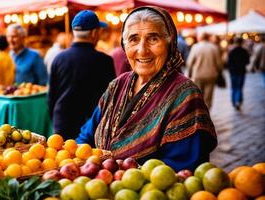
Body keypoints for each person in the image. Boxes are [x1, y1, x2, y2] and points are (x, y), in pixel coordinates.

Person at [76, 6, 217, 171]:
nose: (142, 51)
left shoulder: (185, 95)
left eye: (153, 39)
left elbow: (181, 170)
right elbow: (85, 137)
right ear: (124, 44)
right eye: (133, 39)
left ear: (169, 43)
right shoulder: (117, 85)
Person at [48, 10, 116, 140]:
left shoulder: (59, 58)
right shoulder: (104, 61)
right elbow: (110, 99)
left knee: (60, 159)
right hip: (91, 126)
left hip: (62, 123)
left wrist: (57, 119)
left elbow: (51, 97)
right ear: (94, 33)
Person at [186, 32, 223, 109]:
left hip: (198, 75)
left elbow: (189, 62)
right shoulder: (214, 47)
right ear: (208, 38)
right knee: (208, 97)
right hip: (211, 75)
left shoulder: (195, 47)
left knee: (198, 96)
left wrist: (189, 73)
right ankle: (206, 114)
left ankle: (199, 113)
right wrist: (220, 71)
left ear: (200, 38)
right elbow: (219, 63)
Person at [226, 37, 250, 110]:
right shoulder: (244, 51)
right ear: (241, 43)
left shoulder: (231, 51)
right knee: (239, 87)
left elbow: (228, 63)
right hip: (241, 71)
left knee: (233, 87)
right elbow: (247, 62)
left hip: (233, 72)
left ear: (235, 42)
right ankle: (238, 101)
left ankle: (234, 101)